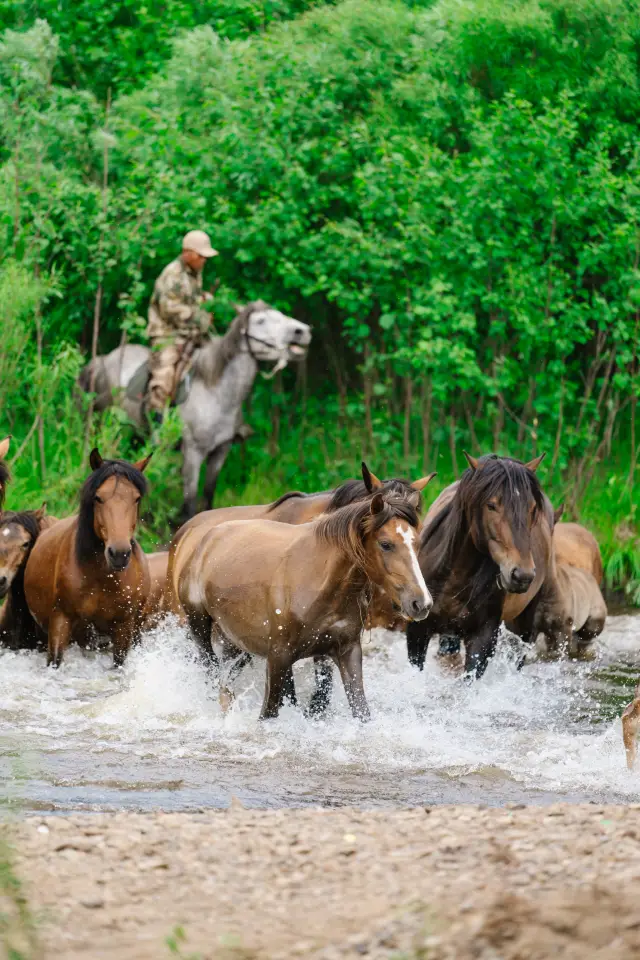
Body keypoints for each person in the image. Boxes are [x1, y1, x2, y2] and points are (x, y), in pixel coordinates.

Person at [145, 230, 218, 420]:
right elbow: (169, 307)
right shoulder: (173, 274)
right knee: (165, 374)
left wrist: (205, 300)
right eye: (201, 256)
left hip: (191, 332)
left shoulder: (195, 273)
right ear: (188, 253)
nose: (204, 260)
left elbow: (191, 298)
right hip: (167, 333)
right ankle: (156, 421)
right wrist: (199, 316)